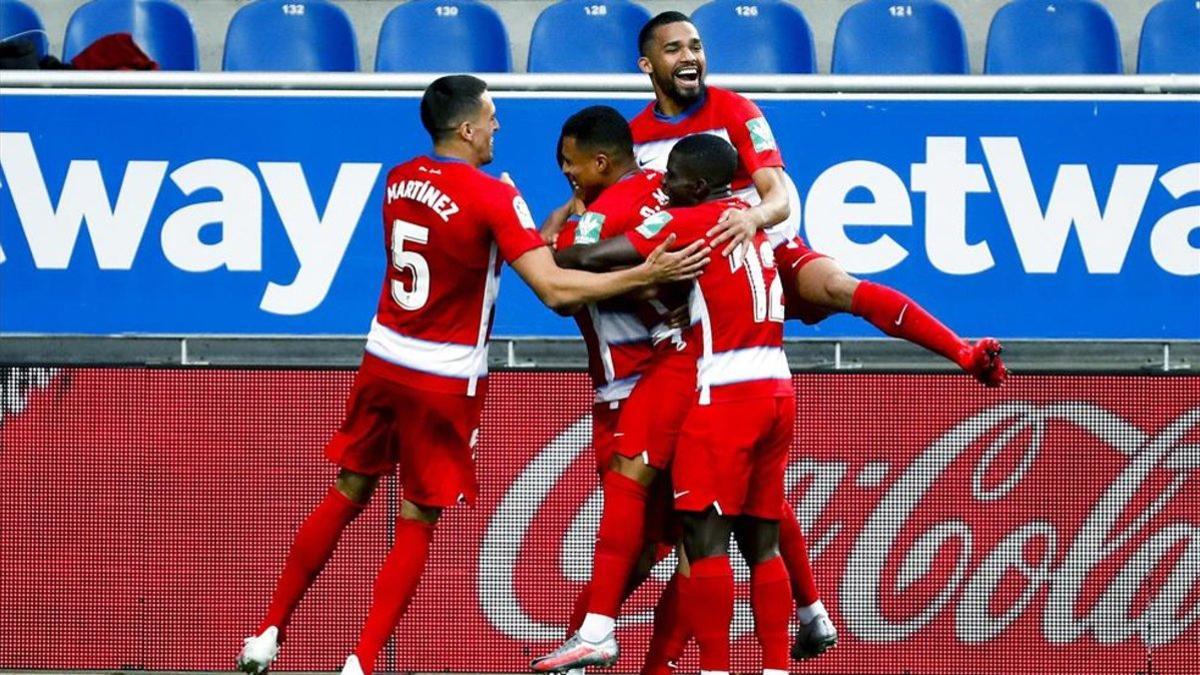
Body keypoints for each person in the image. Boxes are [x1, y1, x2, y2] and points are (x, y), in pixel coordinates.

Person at [235, 75, 710, 675]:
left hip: (383, 357)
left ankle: (268, 631)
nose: (497, 126)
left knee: (346, 491)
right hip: (443, 379)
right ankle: (362, 660)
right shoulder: (493, 195)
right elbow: (556, 290)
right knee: (416, 520)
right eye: (490, 116)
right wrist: (642, 275)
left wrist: (561, 218)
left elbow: (514, 241)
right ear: (466, 127)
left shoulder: (399, 178)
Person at [545, 134, 799, 674]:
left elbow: (577, 264)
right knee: (746, 530)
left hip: (696, 373)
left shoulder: (676, 215)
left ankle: (600, 632)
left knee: (645, 488)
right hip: (772, 384)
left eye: (571, 162)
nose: (664, 183)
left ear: (600, 159)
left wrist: (539, 245)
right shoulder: (748, 216)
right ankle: (806, 616)